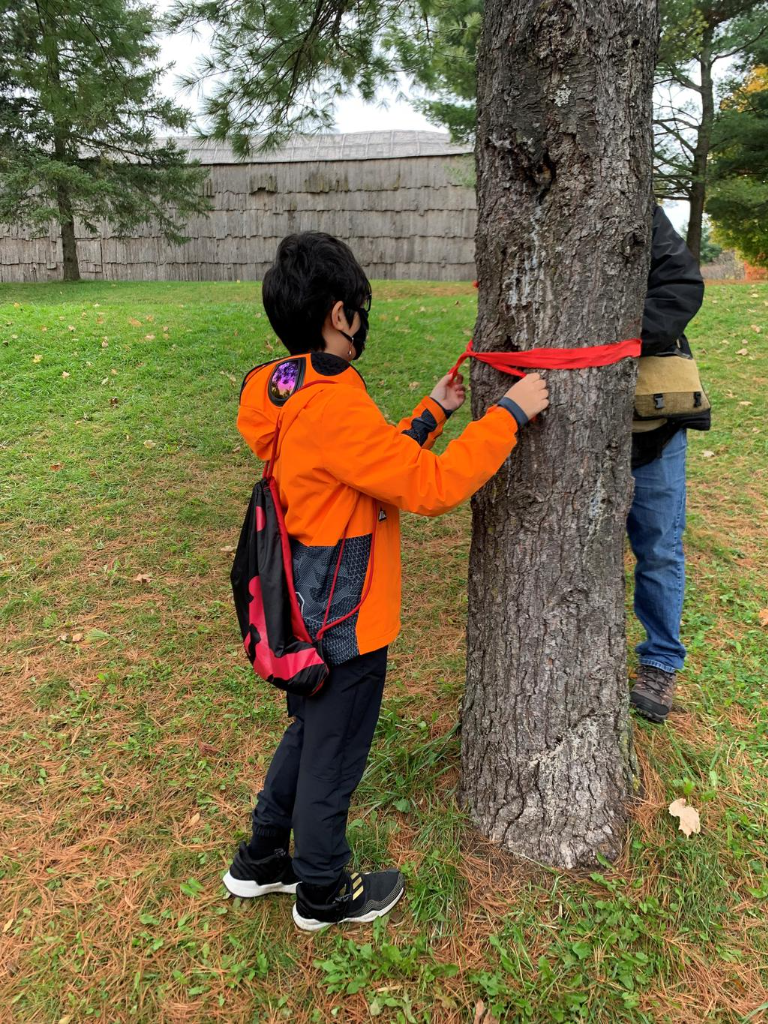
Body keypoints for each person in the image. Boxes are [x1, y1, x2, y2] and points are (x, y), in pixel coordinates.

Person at [224, 231, 549, 931]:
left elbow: (365, 468)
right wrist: (508, 416)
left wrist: (430, 414)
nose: (364, 320)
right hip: (345, 620)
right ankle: (322, 893)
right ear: (341, 314)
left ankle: (258, 862)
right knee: (331, 759)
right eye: (361, 308)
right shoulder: (334, 402)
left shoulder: (282, 390)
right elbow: (428, 489)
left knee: (308, 737)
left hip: (302, 605)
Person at [628, 205, 708, 724]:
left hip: (654, 423)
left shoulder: (639, 208)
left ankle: (660, 659)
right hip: (562, 422)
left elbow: (681, 285)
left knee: (658, 546)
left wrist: (617, 341)